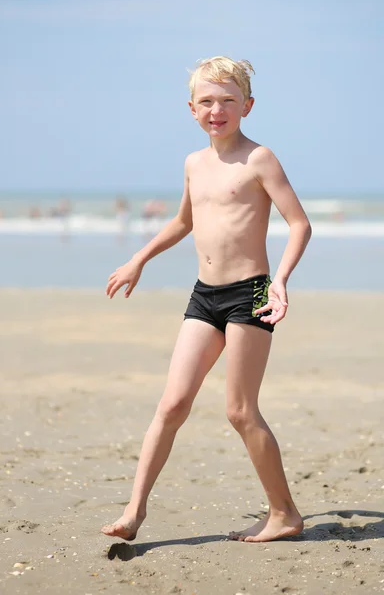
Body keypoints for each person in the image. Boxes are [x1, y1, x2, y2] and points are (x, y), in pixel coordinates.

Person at [102, 56, 312, 543]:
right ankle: (134, 511)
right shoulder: (194, 163)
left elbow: (299, 223)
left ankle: (284, 514)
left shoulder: (259, 159)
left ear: (247, 106)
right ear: (192, 109)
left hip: (252, 293)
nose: (217, 109)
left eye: (228, 101)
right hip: (204, 295)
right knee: (172, 404)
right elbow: (183, 221)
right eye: (207, 101)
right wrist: (140, 258)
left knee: (240, 411)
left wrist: (280, 280)